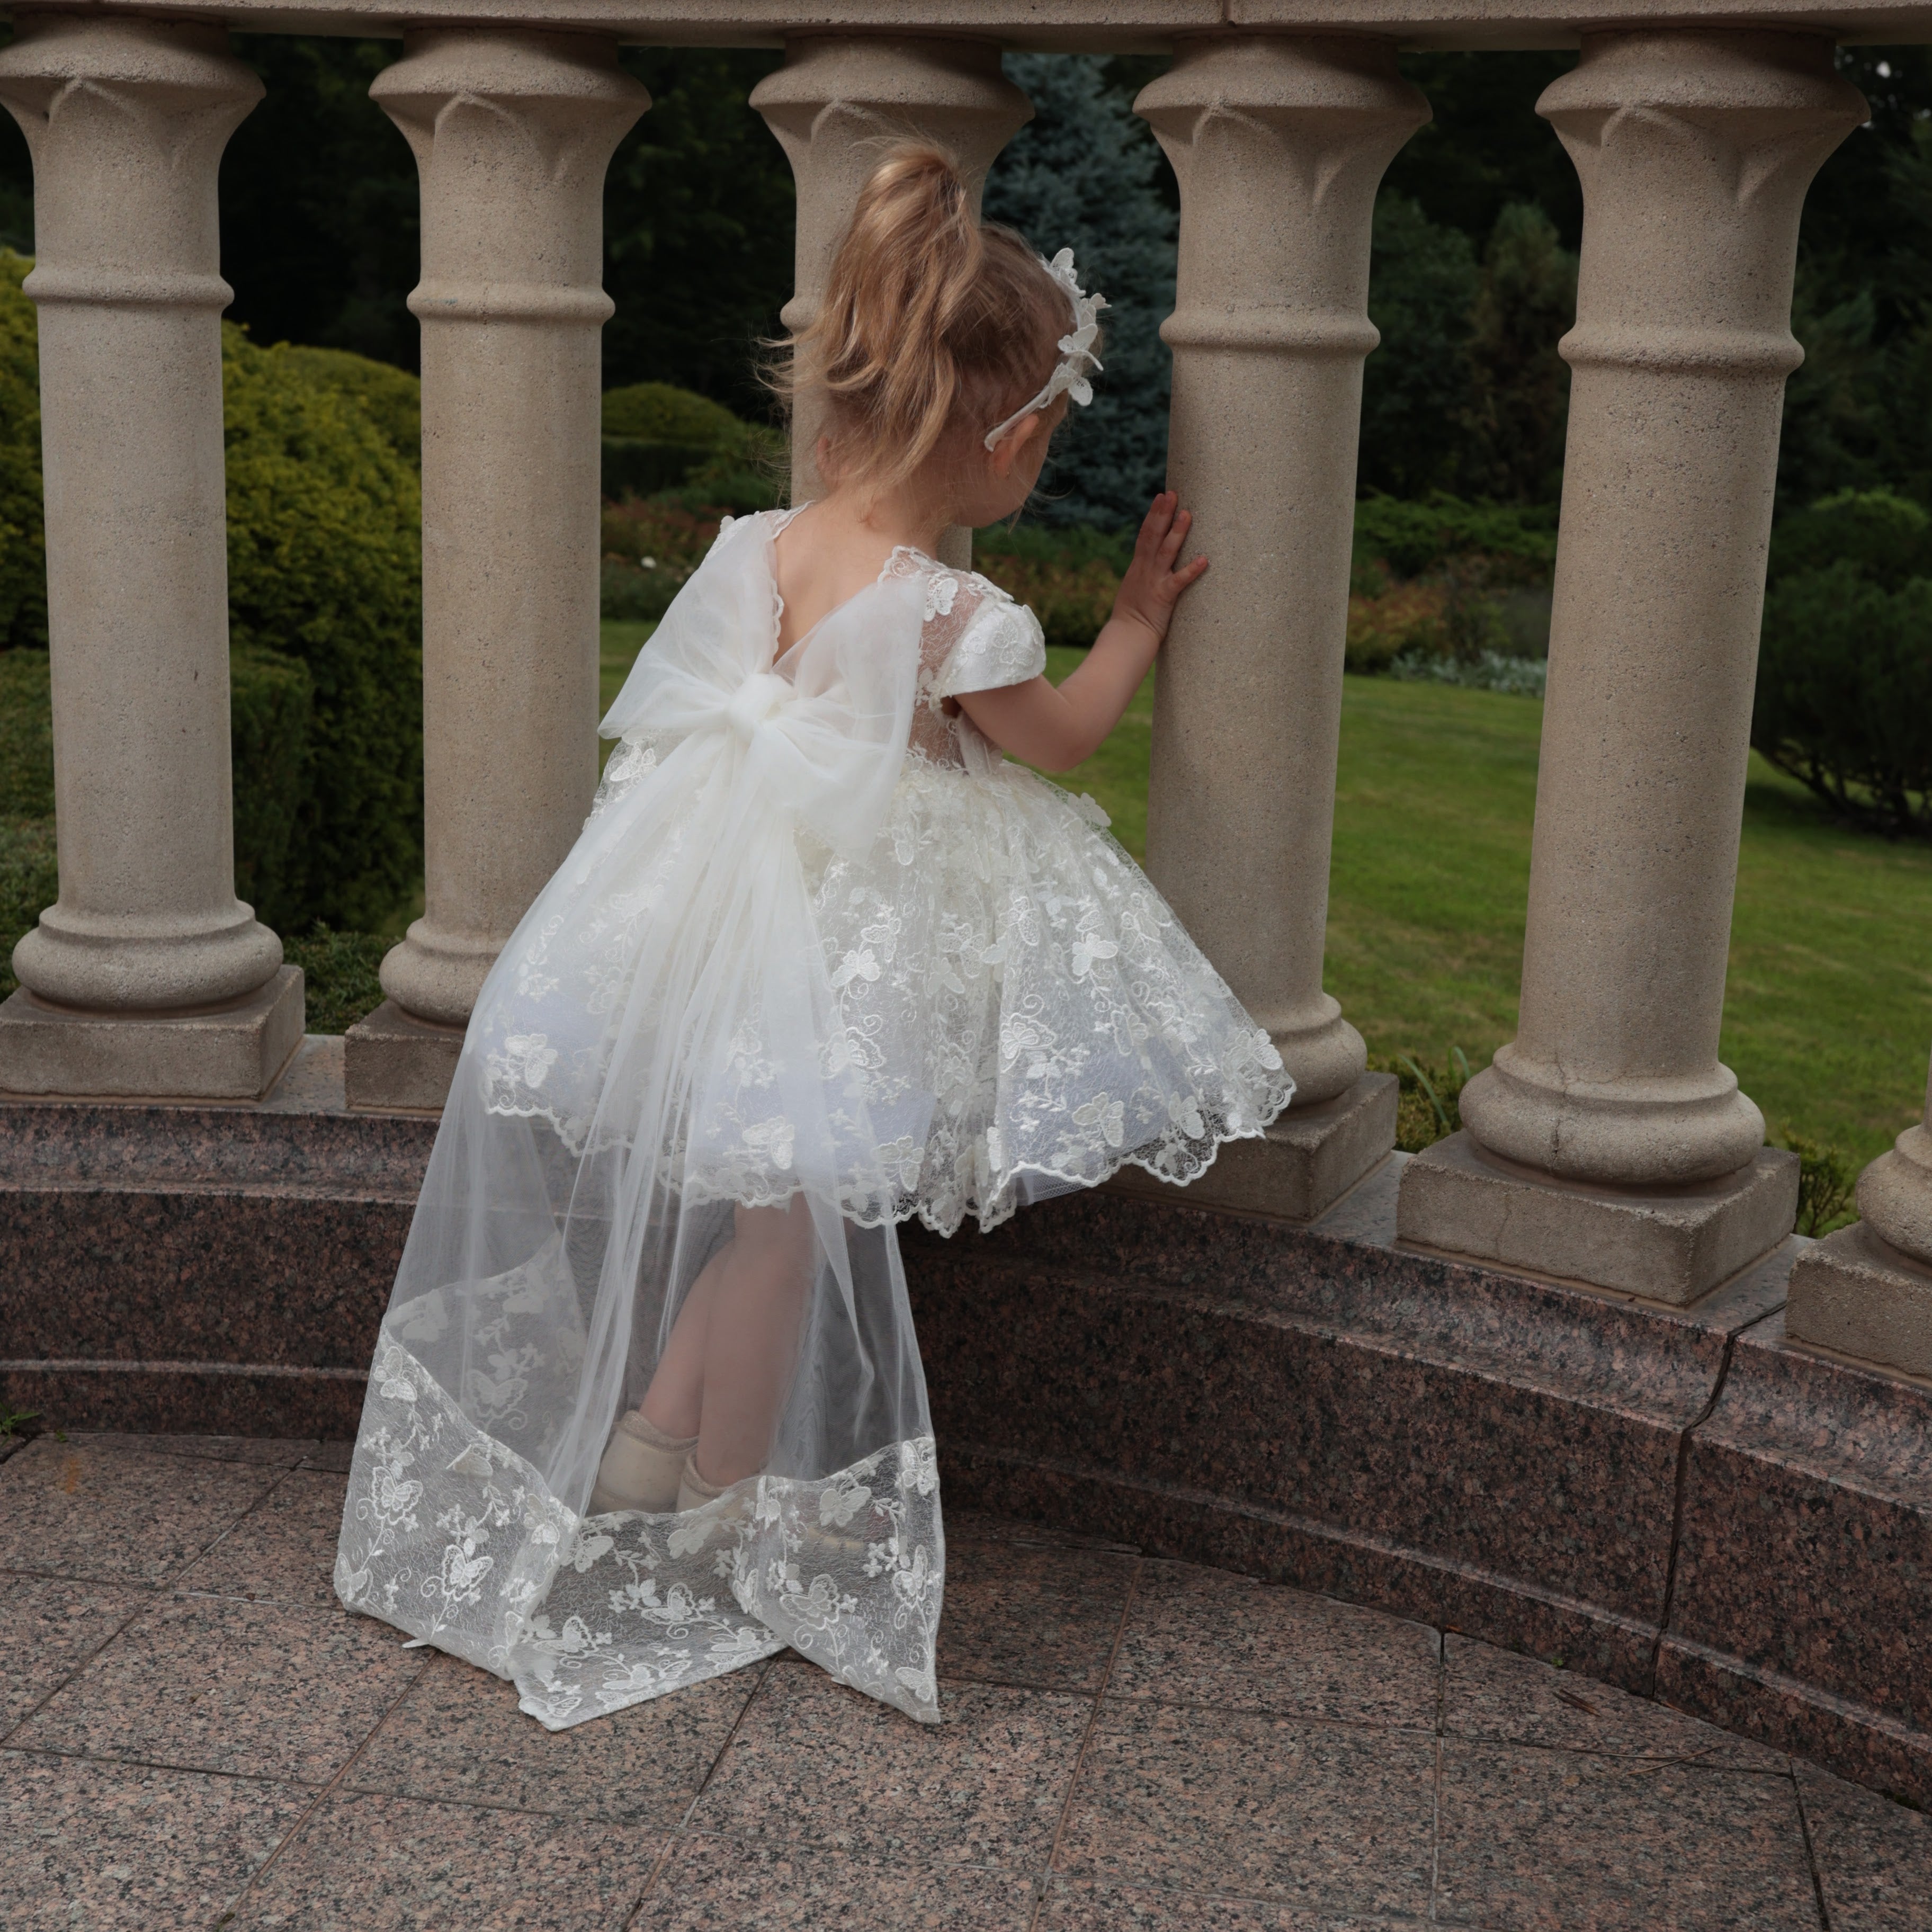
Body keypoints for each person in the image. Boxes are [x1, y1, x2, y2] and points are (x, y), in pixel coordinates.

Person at [334, 142, 1292, 1731]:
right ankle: (717, 1505)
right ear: (1008, 436)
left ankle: (654, 1450)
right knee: (782, 1230)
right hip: (845, 961)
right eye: (1045, 444)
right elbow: (1055, 745)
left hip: (714, 925)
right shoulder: (954, 617)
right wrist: (1137, 623)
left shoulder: (758, 543)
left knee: (762, 1217)